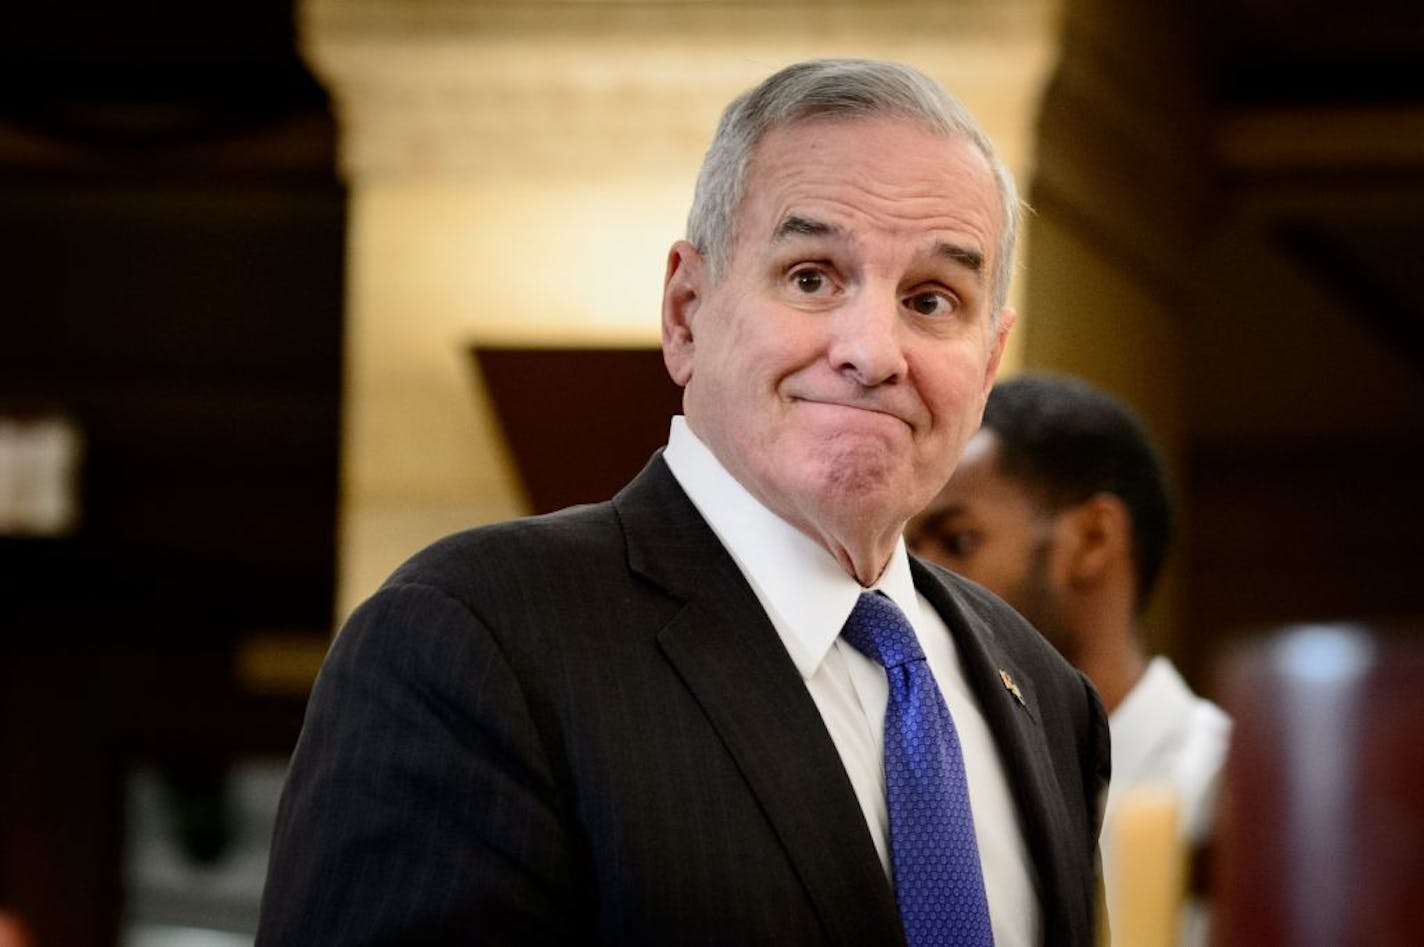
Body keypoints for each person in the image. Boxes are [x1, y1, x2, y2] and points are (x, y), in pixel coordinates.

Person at [257, 59, 1108, 947]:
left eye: (932, 299)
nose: (872, 350)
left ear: (989, 358)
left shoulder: (1045, 696)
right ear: (687, 311)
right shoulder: (475, 638)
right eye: (812, 276)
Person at [907, 372, 1231, 945]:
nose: (913, 583)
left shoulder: (1226, 788)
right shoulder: (926, 783)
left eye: (957, 541)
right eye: (904, 550)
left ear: (1092, 540)